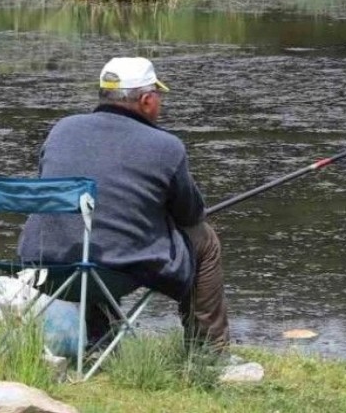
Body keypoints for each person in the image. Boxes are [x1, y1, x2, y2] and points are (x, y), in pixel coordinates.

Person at [17, 57, 230, 352]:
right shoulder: (166, 146)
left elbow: (51, 191)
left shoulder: (62, 129)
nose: (160, 103)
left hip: (44, 267)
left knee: (91, 234)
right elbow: (190, 214)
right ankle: (209, 351)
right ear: (145, 100)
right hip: (111, 271)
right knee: (205, 239)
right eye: (158, 96)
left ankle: (99, 339)